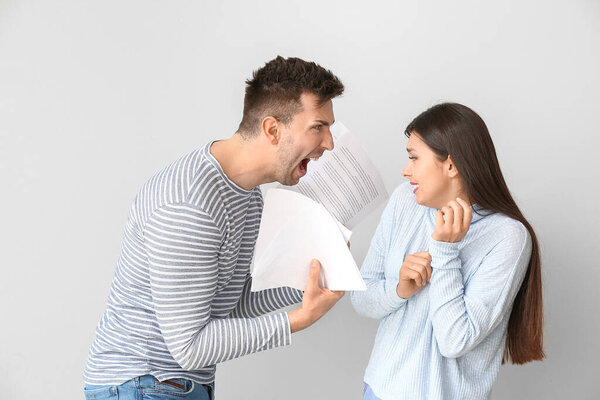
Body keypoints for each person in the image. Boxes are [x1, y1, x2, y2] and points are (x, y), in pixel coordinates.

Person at [83, 56, 345, 400]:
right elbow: (190, 347)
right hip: (143, 383)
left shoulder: (248, 198)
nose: (329, 143)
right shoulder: (191, 203)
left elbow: (228, 304)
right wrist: (297, 320)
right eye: (318, 127)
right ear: (272, 129)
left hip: (175, 386)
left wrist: (311, 279)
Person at [351, 103, 544, 400]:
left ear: (451, 166)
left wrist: (445, 250)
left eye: (414, 158)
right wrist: (399, 290)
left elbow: (454, 340)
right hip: (380, 390)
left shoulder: (508, 237)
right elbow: (361, 298)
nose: (405, 170)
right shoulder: (405, 201)